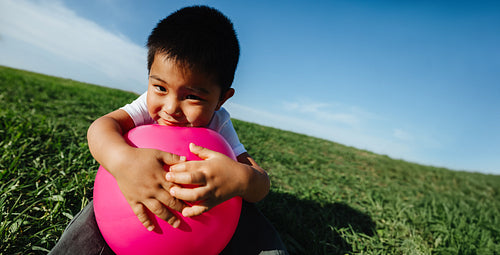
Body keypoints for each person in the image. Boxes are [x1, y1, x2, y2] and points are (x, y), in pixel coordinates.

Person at [49, 5, 287, 255]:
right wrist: (121, 161)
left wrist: (240, 179)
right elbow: (102, 127)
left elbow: (260, 180)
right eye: (160, 88)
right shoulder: (146, 106)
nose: (170, 107)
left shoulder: (218, 122)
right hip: (127, 198)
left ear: (221, 100)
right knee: (86, 234)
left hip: (206, 217)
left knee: (264, 240)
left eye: (192, 96)